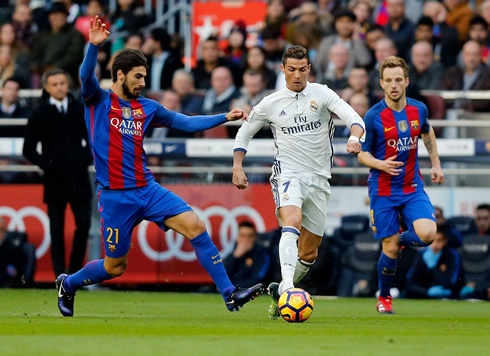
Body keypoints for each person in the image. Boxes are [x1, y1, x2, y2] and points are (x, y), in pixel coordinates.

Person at [55, 16, 263, 317]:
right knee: (115, 267)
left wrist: (223, 117)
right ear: (120, 74)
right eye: (138, 76)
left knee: (196, 226)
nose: (143, 83)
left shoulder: (148, 108)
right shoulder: (97, 100)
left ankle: (229, 293)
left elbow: (188, 123)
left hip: (148, 189)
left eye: (145, 76)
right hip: (116, 197)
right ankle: (69, 284)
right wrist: (93, 46)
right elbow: (86, 77)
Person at [232, 45, 365, 319]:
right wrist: (237, 166)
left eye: (302, 69)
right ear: (282, 69)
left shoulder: (322, 93)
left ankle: (281, 290)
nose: (296, 75)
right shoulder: (271, 102)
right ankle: (290, 288)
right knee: (291, 220)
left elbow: (355, 118)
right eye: (291, 69)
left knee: (309, 252)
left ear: (309, 69)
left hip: (319, 179)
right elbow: (244, 134)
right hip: (288, 173)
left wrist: (354, 138)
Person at [358, 56, 444, 314]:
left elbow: (426, 132)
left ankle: (397, 239)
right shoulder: (373, 116)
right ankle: (384, 296)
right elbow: (362, 153)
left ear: (406, 81)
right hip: (382, 190)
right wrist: (379, 164)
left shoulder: (419, 109)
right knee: (390, 249)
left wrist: (436, 164)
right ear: (381, 84)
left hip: (411, 186)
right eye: (388, 81)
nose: (394, 85)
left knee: (428, 234)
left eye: (398, 80)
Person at [23, 68, 93, 278]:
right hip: (55, 181)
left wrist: (85, 159)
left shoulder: (78, 109)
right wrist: (48, 166)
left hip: (79, 179)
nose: (60, 87)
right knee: (57, 231)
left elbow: (91, 138)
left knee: (84, 225)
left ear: (67, 85)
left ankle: (75, 272)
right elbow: (28, 148)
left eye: (62, 83)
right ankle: (60, 276)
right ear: (47, 88)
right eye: (55, 84)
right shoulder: (39, 113)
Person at [30, 2, 85, 87]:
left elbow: (73, 56)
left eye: (58, 14)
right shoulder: (43, 35)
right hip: (42, 74)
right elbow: (35, 54)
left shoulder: (75, 34)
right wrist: (37, 67)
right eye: (52, 15)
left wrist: (55, 67)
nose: (54, 18)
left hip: (66, 73)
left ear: (65, 16)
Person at [405, 225, 464, 299]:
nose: (435, 245)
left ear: (445, 241)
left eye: (439, 241)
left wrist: (433, 267)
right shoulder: (422, 255)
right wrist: (426, 292)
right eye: (432, 241)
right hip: (423, 296)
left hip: (445, 297)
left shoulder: (452, 255)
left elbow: (451, 284)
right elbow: (410, 282)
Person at [224, 221, 271, 287]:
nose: (246, 239)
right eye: (242, 235)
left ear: (255, 238)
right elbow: (222, 276)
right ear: (237, 238)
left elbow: (258, 280)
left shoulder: (262, 255)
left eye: (250, 236)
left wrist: (231, 286)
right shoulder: (232, 255)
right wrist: (234, 256)